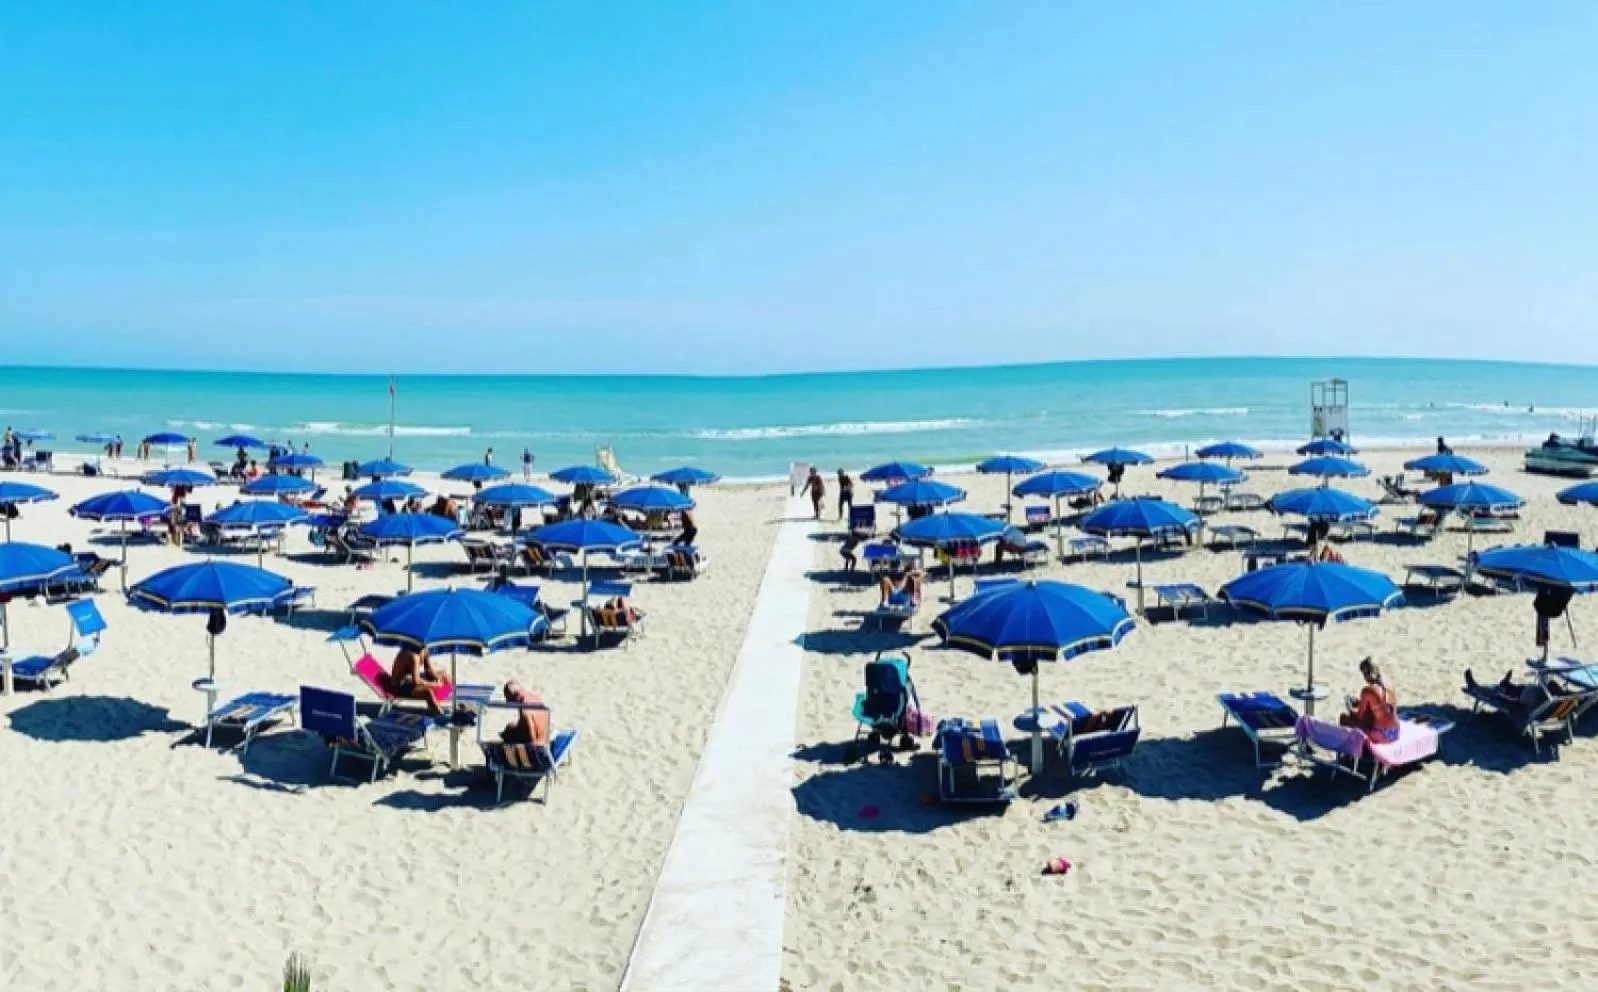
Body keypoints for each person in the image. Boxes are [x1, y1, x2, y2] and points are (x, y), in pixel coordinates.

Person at [1339, 658, 1399, 743]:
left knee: (1344, 718)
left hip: (1383, 735)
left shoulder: (1367, 691)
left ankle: (1350, 753)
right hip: (1395, 732)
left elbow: (1359, 716)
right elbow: (1382, 706)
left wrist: (1349, 707)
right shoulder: (1389, 684)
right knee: (1370, 718)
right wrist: (1360, 702)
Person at [391, 645, 451, 717]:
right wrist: (435, 684)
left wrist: (436, 678)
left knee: (444, 675)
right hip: (400, 686)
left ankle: (456, 698)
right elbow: (417, 682)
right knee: (428, 692)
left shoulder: (424, 649)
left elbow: (429, 670)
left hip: (410, 679)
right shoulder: (412, 655)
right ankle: (440, 715)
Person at [499, 680, 550, 745]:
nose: (507, 702)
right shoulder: (536, 698)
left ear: (515, 695)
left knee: (509, 730)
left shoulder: (524, 707)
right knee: (511, 726)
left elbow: (531, 734)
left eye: (508, 698)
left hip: (536, 745)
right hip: (544, 741)